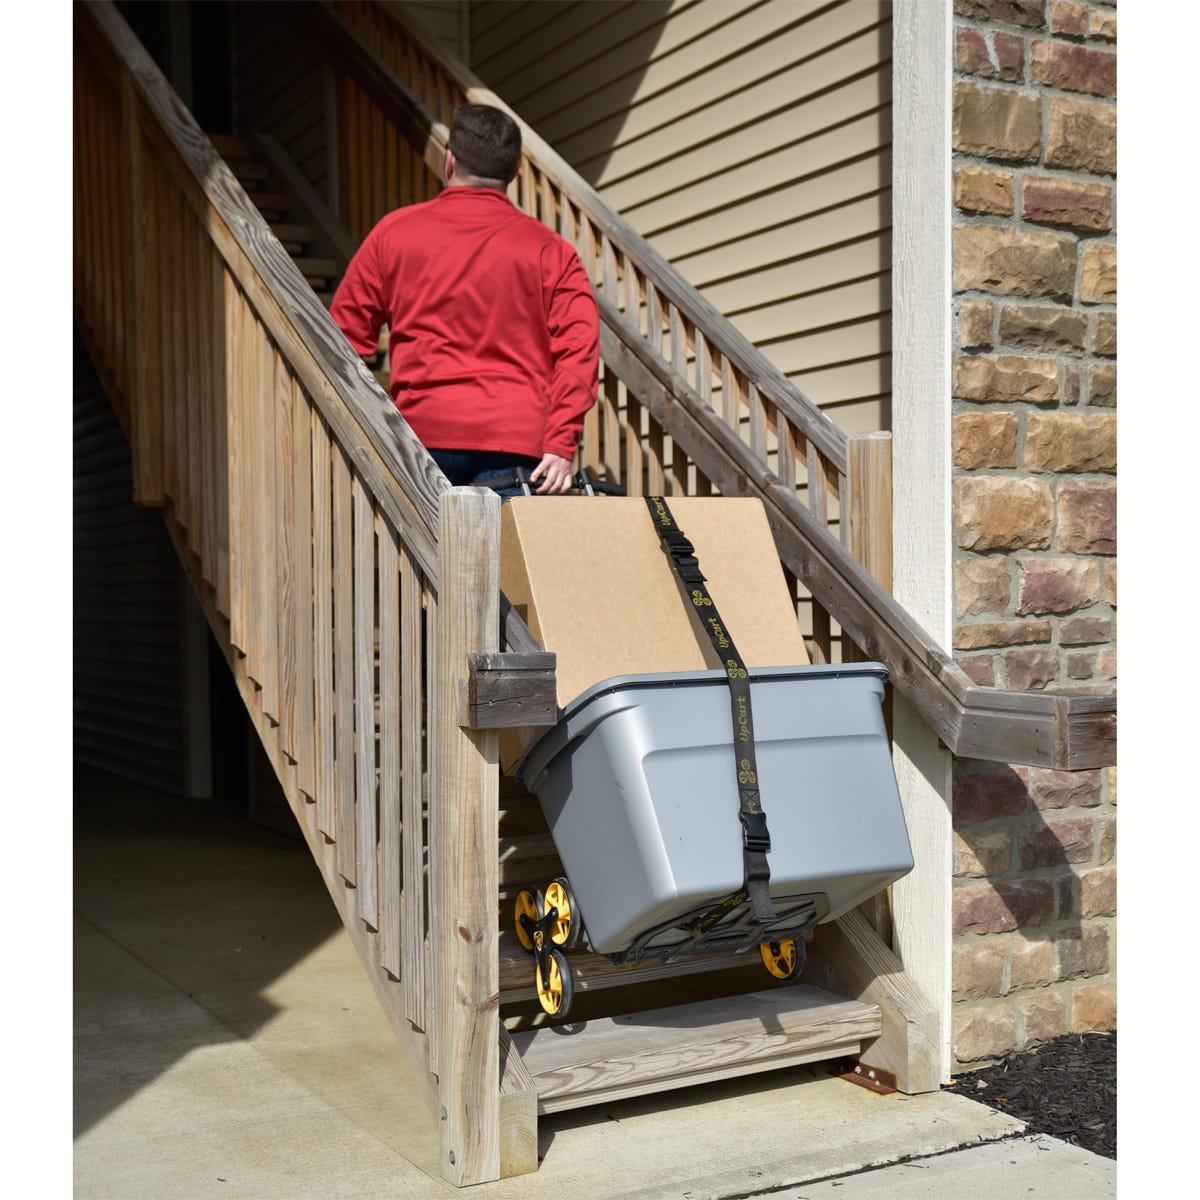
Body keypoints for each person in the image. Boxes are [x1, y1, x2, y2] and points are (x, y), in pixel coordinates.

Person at [330, 103, 600, 495]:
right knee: (502, 559)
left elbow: (341, 339)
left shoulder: (394, 234)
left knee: (422, 558)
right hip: (518, 447)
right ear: (513, 172)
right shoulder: (552, 251)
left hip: (423, 437)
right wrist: (560, 443)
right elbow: (579, 350)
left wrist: (371, 425)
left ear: (449, 160)